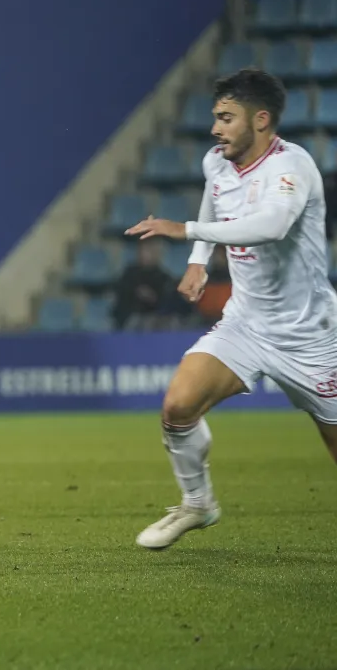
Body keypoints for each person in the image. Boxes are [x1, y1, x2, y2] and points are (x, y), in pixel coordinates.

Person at [125, 68, 337, 550]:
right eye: (215, 117)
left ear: (261, 120)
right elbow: (214, 200)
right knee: (178, 406)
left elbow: (274, 225)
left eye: (227, 117)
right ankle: (197, 503)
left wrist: (188, 233)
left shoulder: (293, 167)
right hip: (246, 324)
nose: (216, 127)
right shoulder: (217, 162)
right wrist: (198, 262)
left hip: (311, 334)